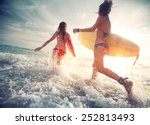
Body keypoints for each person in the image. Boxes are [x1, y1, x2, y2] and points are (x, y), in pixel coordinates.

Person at [73, 0, 133, 97]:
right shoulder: (108, 21)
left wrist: (78, 30)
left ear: (101, 10)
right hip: (104, 46)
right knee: (95, 65)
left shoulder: (101, 17)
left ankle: (124, 82)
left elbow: (92, 29)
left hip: (99, 45)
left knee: (100, 68)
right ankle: (92, 81)